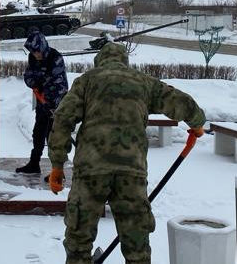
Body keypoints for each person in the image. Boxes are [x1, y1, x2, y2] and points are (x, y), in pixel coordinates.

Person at [46, 42, 206, 264]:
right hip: (131, 173)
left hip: (91, 171)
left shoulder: (87, 81)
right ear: (125, 61)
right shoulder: (143, 82)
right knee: (136, 246)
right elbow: (179, 101)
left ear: (99, 61)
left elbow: (63, 119)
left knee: (78, 240)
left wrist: (57, 164)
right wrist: (197, 123)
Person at [17, 31, 69, 174]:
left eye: (37, 51)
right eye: (33, 52)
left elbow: (58, 84)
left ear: (42, 47)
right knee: (38, 133)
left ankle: (57, 171)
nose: (36, 54)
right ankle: (34, 164)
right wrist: (38, 83)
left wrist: (52, 104)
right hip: (42, 102)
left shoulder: (55, 57)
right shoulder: (32, 58)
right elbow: (28, 77)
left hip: (56, 103)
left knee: (53, 138)